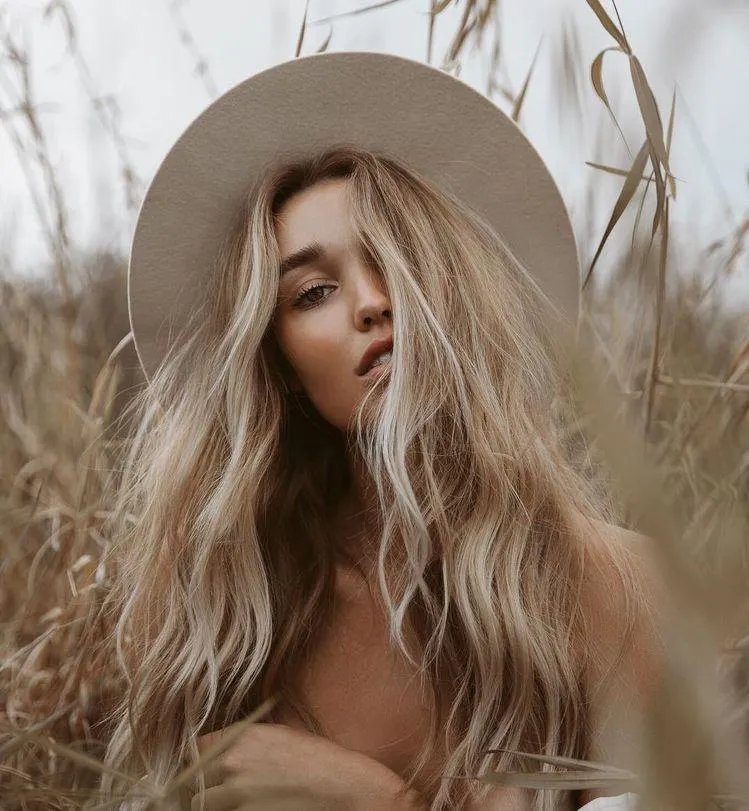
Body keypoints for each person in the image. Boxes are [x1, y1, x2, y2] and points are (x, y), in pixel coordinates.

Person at [98, 52, 664, 811]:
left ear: (454, 290)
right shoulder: (234, 614)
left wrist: (373, 799)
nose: (370, 303)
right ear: (281, 363)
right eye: (314, 291)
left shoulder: (624, 590)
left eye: (397, 261)